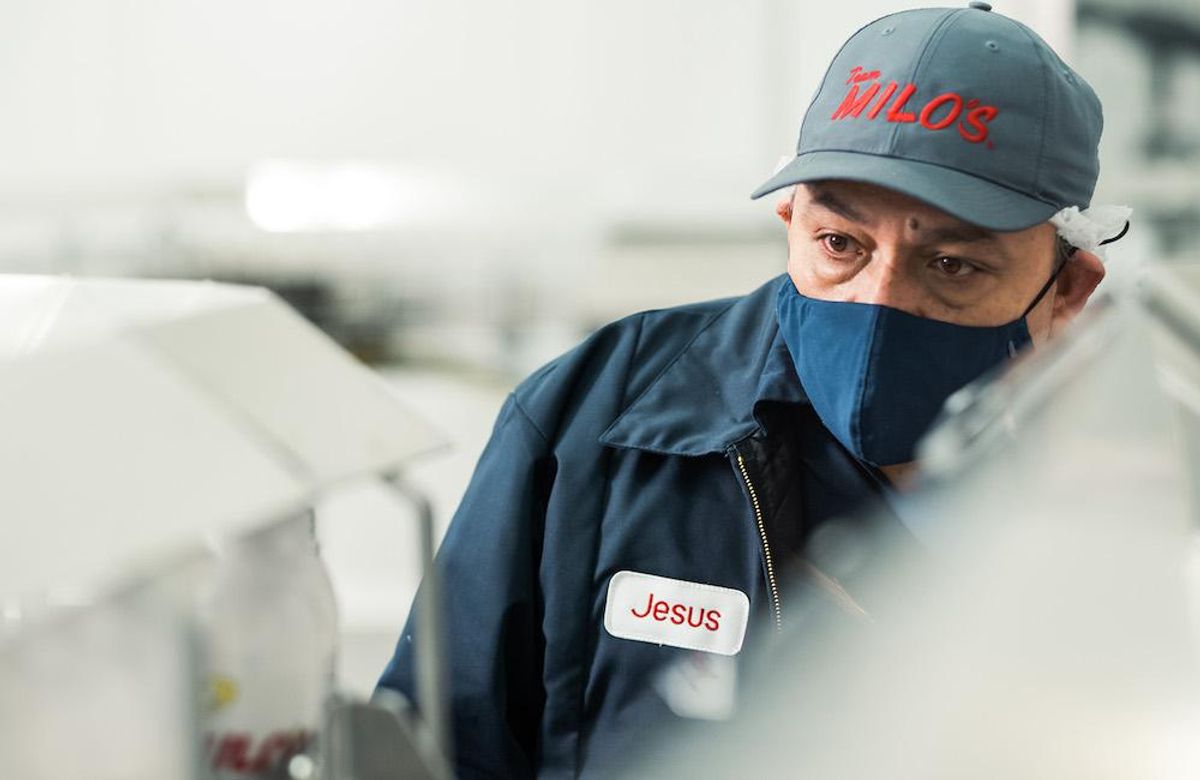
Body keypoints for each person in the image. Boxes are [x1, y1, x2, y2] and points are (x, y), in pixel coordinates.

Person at [378, 4, 1130, 777]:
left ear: (1068, 290)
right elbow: (439, 747)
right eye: (840, 244)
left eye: (952, 266)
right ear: (790, 220)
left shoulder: (1130, 512)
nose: (879, 303)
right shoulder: (596, 417)